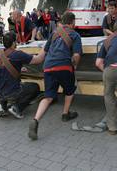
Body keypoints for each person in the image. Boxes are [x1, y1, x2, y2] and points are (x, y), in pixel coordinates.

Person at [28, 12, 82, 140]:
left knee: (48, 97)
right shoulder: (75, 35)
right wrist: (74, 66)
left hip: (48, 67)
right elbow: (76, 56)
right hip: (64, 66)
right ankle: (65, 113)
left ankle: (36, 119)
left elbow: (41, 56)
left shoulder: (53, 34)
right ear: (72, 22)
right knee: (69, 90)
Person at [0, 32, 45, 119]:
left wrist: (17, 68)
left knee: (4, 85)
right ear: (13, 43)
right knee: (35, 87)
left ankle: (2, 106)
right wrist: (45, 48)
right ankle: (17, 108)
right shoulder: (18, 54)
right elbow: (38, 60)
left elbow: (1, 69)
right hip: (11, 92)